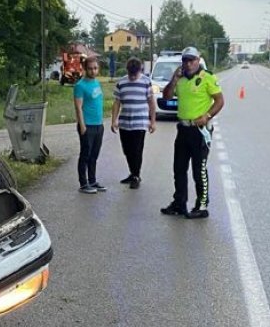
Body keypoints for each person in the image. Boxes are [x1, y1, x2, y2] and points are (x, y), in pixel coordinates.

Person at [159, 47, 225, 219]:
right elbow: (166, 96)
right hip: (183, 128)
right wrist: (174, 79)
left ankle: (202, 205)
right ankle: (179, 202)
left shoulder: (207, 78)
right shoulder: (179, 79)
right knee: (179, 168)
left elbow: (220, 100)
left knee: (199, 169)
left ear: (198, 60)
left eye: (192, 60)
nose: (188, 64)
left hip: (200, 130)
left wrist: (208, 115)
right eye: (186, 61)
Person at [111, 57, 156, 189]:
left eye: (135, 74)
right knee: (127, 150)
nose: (132, 77)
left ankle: (136, 175)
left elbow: (151, 103)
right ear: (127, 71)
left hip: (140, 123)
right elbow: (117, 102)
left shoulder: (146, 82)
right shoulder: (121, 83)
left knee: (137, 150)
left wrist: (152, 121)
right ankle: (132, 172)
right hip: (125, 122)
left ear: (140, 70)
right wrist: (114, 120)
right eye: (130, 74)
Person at [73, 57, 107, 194]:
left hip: (99, 124)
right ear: (85, 69)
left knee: (94, 155)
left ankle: (92, 181)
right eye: (90, 68)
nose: (93, 71)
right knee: (85, 155)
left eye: (95, 68)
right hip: (87, 125)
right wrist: (82, 125)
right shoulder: (80, 86)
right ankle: (83, 183)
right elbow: (78, 107)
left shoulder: (96, 83)